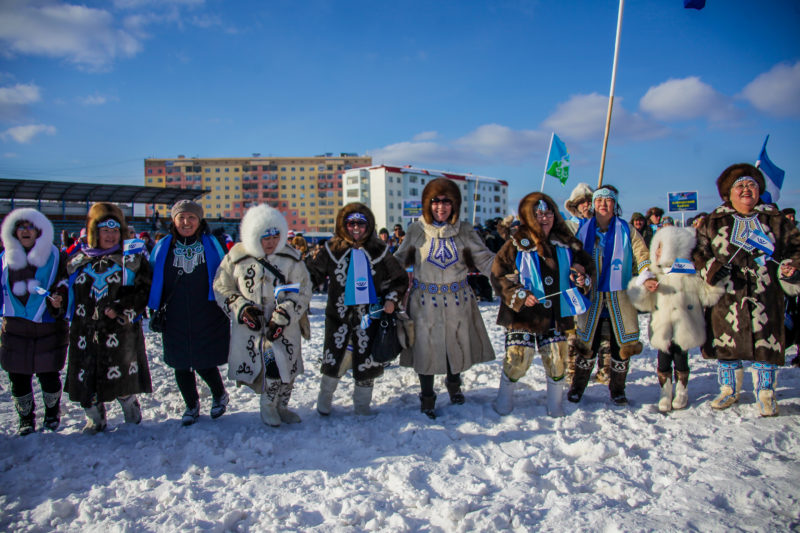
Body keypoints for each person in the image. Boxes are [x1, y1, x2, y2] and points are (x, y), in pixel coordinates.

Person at [692, 164, 800, 416]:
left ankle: (766, 393)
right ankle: (729, 390)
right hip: (727, 295)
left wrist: (791, 266)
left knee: (767, 342)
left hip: (766, 293)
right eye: (739, 185)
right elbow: (697, 252)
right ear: (727, 193)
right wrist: (711, 268)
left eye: (751, 184)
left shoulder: (776, 220)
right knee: (726, 341)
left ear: (759, 189)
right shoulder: (713, 221)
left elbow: (796, 249)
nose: (745, 189)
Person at [394, 178, 496, 419]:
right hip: (424, 302)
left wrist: (510, 263)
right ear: (427, 204)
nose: (441, 206)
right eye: (436, 201)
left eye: (446, 202)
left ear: (455, 205)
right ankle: (427, 396)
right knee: (425, 349)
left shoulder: (465, 230)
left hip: (457, 301)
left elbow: (486, 260)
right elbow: (398, 261)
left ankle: (454, 386)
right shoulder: (416, 230)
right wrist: (379, 268)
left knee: (456, 345)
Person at [490, 193, 592, 417]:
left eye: (548, 214)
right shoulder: (516, 243)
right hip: (523, 313)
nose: (544, 219)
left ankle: (555, 404)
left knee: (557, 359)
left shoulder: (567, 243)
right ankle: (504, 398)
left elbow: (585, 266)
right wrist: (518, 294)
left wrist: (581, 277)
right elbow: (498, 274)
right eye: (538, 215)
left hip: (556, 311)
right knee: (518, 358)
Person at [214, 204, 312, 426]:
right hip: (255, 326)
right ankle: (268, 406)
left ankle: (282, 406)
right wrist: (241, 308)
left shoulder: (291, 257)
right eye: (265, 237)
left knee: (289, 368)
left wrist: (285, 314)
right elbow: (222, 287)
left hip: (286, 324)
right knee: (271, 367)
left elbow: (304, 289)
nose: (271, 241)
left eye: (276, 235)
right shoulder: (236, 257)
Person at [306, 203, 407, 416]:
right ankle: (324, 401)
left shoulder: (379, 250)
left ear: (368, 225)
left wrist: (391, 300)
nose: (355, 228)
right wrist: (295, 286)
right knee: (335, 359)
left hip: (370, 317)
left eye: (361, 223)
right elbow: (311, 275)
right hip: (337, 317)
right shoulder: (332, 248)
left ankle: (362, 406)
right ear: (344, 225)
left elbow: (399, 279)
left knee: (367, 360)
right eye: (351, 223)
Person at [61, 203, 153, 433]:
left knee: (122, 377)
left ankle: (130, 408)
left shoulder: (131, 260)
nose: (110, 235)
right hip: (85, 331)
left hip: (119, 330)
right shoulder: (77, 261)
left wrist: (121, 306)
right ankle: (95, 417)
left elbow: (144, 290)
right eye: (105, 230)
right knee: (86, 379)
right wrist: (57, 299)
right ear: (95, 232)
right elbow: (62, 288)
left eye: (114, 230)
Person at [149, 200, 230, 426]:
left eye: (191, 217)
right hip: (174, 312)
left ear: (199, 220)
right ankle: (191, 405)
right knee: (180, 362)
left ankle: (219, 395)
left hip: (206, 310)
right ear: (174, 221)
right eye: (181, 217)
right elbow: (151, 275)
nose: (186, 222)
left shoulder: (212, 243)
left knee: (204, 360)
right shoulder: (163, 245)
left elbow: (227, 273)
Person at [568, 185, 651, 406]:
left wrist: (647, 274)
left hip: (619, 298)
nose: (603, 204)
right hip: (592, 296)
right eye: (599, 200)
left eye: (608, 200)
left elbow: (641, 253)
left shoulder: (627, 229)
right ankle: (577, 388)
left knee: (619, 346)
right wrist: (577, 271)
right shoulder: (584, 230)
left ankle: (617, 390)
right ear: (593, 205)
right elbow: (574, 255)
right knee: (587, 344)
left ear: (615, 205)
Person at [627, 226, 723, 412]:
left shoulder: (688, 274)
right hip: (662, 326)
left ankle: (682, 390)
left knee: (681, 359)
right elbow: (640, 301)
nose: (657, 252)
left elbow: (708, 295)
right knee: (663, 360)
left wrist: (715, 282)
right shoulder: (654, 274)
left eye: (662, 247)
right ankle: (665, 391)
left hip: (684, 326)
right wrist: (644, 288)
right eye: (657, 247)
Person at [1, 209, 69, 434]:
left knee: (49, 373)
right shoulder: (4, 259)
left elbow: (64, 281)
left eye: (31, 227)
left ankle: (52, 414)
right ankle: (25, 419)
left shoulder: (55, 255)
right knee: (17, 376)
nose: (26, 231)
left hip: (47, 325)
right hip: (14, 327)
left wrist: (60, 298)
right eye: (21, 227)